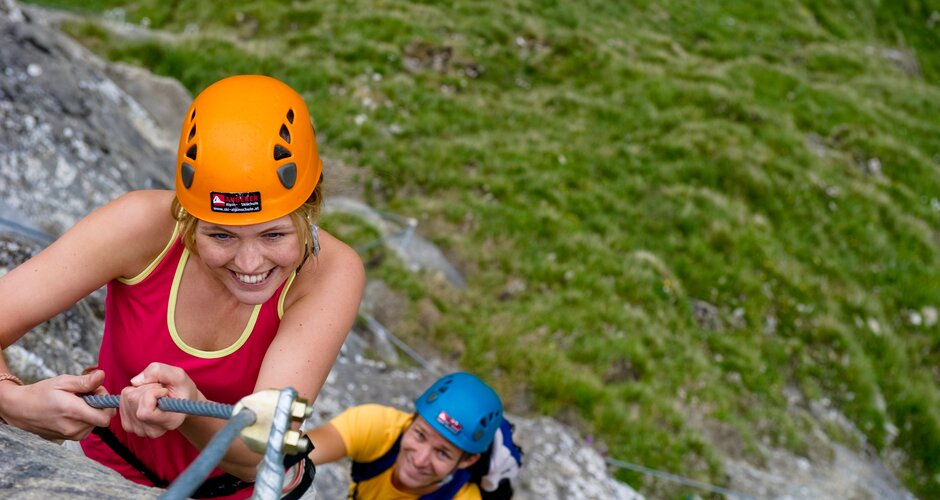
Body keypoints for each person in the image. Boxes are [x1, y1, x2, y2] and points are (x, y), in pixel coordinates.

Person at [0, 75, 364, 498]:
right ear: (188, 218)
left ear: (310, 208)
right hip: (105, 472)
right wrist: (11, 399)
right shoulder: (139, 227)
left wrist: (189, 408)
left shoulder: (330, 272)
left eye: (274, 235)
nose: (250, 265)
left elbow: (262, 450)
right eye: (221, 236)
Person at [308, 372, 520, 500]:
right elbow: (293, 454)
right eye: (420, 435)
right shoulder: (377, 427)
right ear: (411, 419)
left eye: (443, 453)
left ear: (469, 460)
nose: (419, 460)